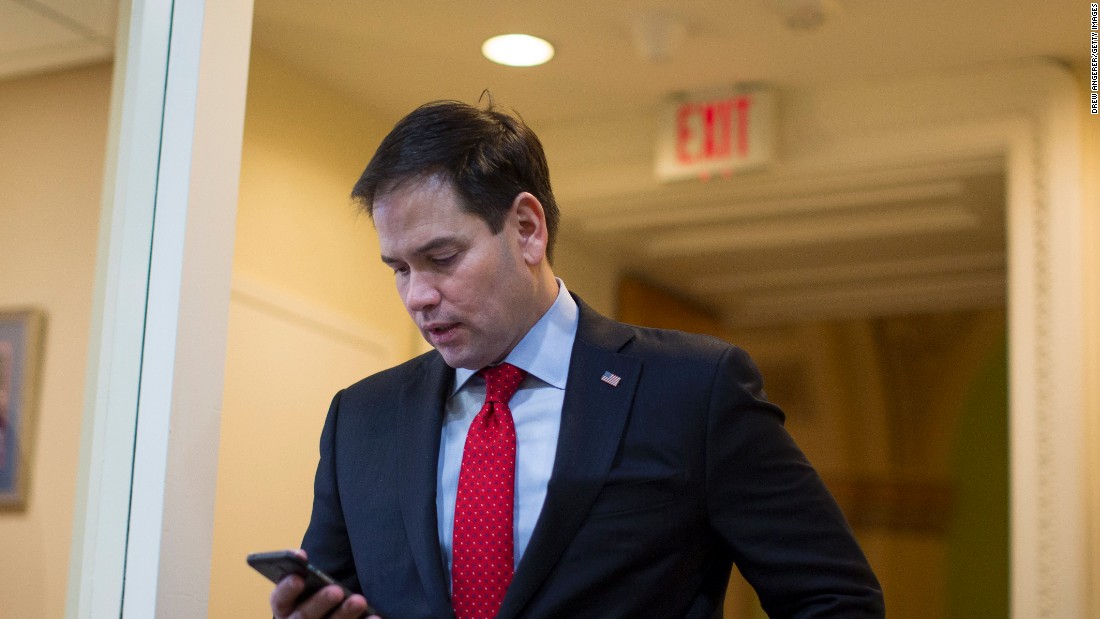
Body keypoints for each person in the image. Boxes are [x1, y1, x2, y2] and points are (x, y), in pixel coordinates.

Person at [269, 100, 884, 619]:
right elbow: (335, 596)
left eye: (442, 258)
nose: (418, 296)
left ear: (528, 229)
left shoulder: (691, 391)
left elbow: (835, 600)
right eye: (399, 269)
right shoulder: (362, 419)